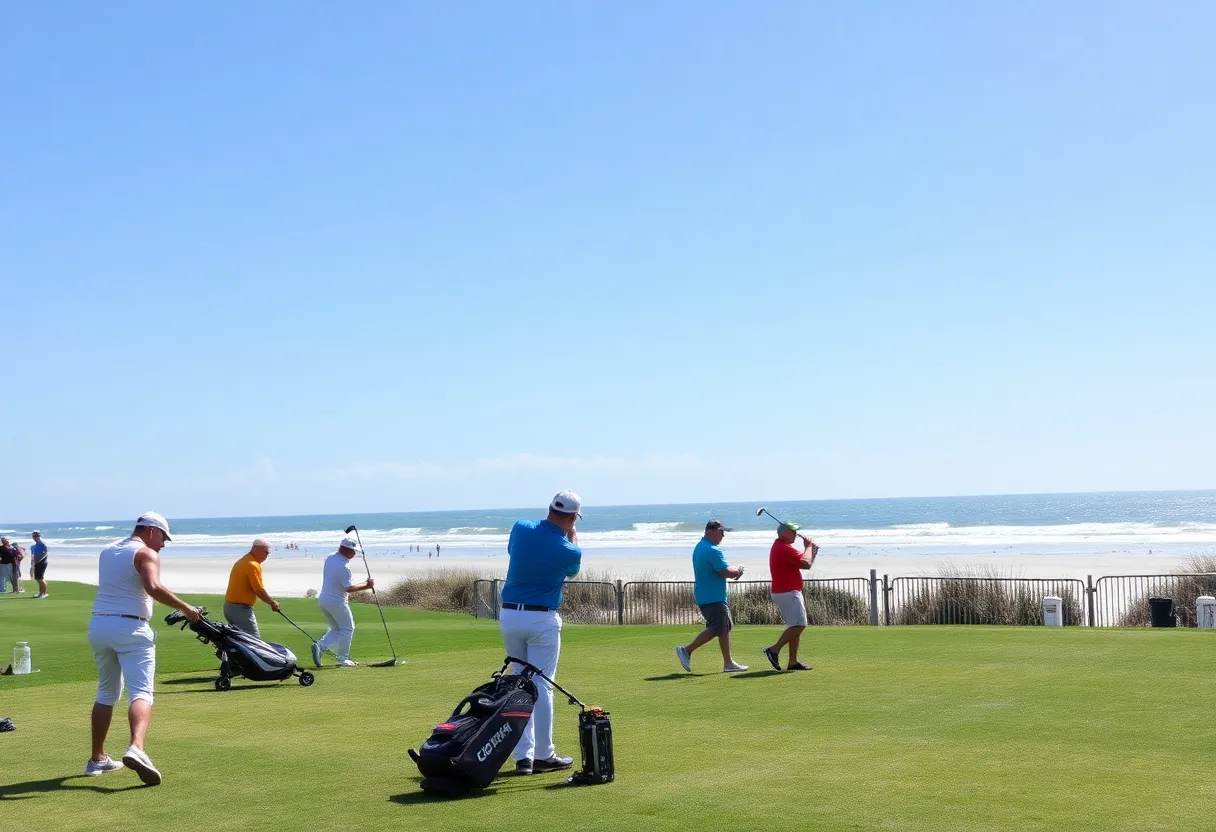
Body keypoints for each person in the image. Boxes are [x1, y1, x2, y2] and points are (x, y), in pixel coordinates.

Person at [86, 512, 201, 785]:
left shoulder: (107, 550)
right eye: (163, 537)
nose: (163, 544)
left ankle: (97, 759)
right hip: (131, 628)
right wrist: (186, 608)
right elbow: (153, 587)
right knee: (141, 691)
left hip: (99, 626)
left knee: (106, 691)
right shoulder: (146, 553)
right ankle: (136, 748)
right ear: (151, 531)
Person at [500, 490, 583, 775]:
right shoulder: (569, 549)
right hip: (541, 619)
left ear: (549, 509)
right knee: (542, 686)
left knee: (519, 683)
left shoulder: (521, 527)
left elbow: (514, 551)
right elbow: (572, 571)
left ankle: (523, 757)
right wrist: (572, 536)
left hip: (509, 615)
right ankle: (544, 755)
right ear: (573, 518)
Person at [675, 520, 749, 673]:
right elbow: (725, 572)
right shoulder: (712, 550)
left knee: (725, 627)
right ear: (710, 532)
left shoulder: (701, 546)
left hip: (709, 595)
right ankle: (686, 650)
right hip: (712, 596)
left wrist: (734, 572)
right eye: (720, 532)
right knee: (717, 627)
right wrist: (738, 571)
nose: (723, 535)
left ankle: (728, 663)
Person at [762, 522, 818, 671]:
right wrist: (808, 547)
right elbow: (805, 563)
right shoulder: (784, 548)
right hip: (788, 592)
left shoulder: (781, 547)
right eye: (793, 532)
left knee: (795, 626)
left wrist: (811, 551)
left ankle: (793, 661)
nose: (796, 535)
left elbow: (806, 562)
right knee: (800, 625)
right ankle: (773, 650)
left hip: (785, 592)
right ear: (786, 532)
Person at [312, 536, 374, 667]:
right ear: (347, 551)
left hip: (323, 599)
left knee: (337, 628)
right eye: (353, 551)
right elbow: (349, 588)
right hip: (336, 601)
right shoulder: (344, 566)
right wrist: (367, 585)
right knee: (348, 628)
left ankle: (320, 646)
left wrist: (365, 583)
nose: (355, 554)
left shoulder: (330, 557)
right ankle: (342, 659)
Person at [223, 538, 281, 637]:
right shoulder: (252, 564)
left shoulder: (243, 561)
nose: (267, 555)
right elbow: (258, 590)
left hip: (229, 607)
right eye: (266, 552)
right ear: (256, 549)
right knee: (254, 640)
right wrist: (272, 603)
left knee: (238, 639)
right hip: (240, 609)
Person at [30, 531, 49, 598]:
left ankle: (44, 593)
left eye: (36, 536)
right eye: (34, 536)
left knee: (40, 578)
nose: (35, 537)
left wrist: (39, 560)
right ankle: (40, 593)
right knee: (37, 578)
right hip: (36, 563)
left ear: (39, 536)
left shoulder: (42, 544)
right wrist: (32, 565)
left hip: (42, 563)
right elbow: (33, 556)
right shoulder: (34, 545)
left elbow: (45, 553)